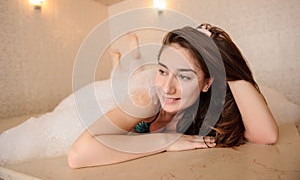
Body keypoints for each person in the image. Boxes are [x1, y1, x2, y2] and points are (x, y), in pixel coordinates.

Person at [67, 24, 279, 168]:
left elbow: (265, 136)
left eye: (184, 77)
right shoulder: (148, 100)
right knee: (123, 74)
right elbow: (78, 155)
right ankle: (124, 59)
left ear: (207, 83)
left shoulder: (211, 109)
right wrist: (166, 142)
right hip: (124, 95)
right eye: (162, 71)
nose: (167, 88)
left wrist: (221, 54)